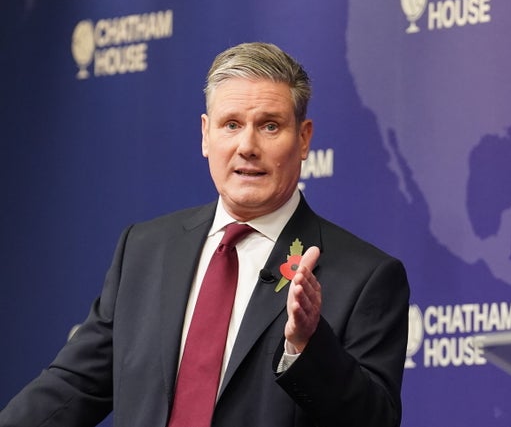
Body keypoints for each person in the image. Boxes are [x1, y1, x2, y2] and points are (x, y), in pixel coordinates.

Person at [0, 42, 410, 427]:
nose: (247, 146)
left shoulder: (364, 277)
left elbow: (375, 419)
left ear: (303, 140)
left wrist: (307, 346)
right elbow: (73, 386)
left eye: (269, 126)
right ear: (205, 134)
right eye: (231, 124)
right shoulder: (145, 250)